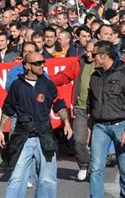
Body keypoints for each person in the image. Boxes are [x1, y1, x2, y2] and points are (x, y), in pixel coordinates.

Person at [0, 51, 72, 198]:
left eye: (43, 62)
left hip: (45, 136)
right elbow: (7, 109)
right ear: (27, 66)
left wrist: (67, 123)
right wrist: (0, 131)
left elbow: (59, 104)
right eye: (37, 63)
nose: (42, 65)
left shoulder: (48, 84)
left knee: (47, 180)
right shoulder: (17, 85)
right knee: (17, 178)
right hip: (23, 137)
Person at [88, 40, 125, 198]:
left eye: (94, 55)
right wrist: (89, 128)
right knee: (96, 168)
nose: (91, 58)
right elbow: (91, 105)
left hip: (120, 126)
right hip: (99, 127)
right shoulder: (94, 76)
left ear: (104, 56)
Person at [50, 40, 96, 181]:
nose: (88, 55)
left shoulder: (108, 65)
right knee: (78, 140)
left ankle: (96, 169)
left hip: (101, 110)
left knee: (99, 143)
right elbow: (63, 77)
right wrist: (46, 80)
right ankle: (83, 165)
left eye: (92, 52)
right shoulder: (79, 63)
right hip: (81, 108)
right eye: (86, 51)